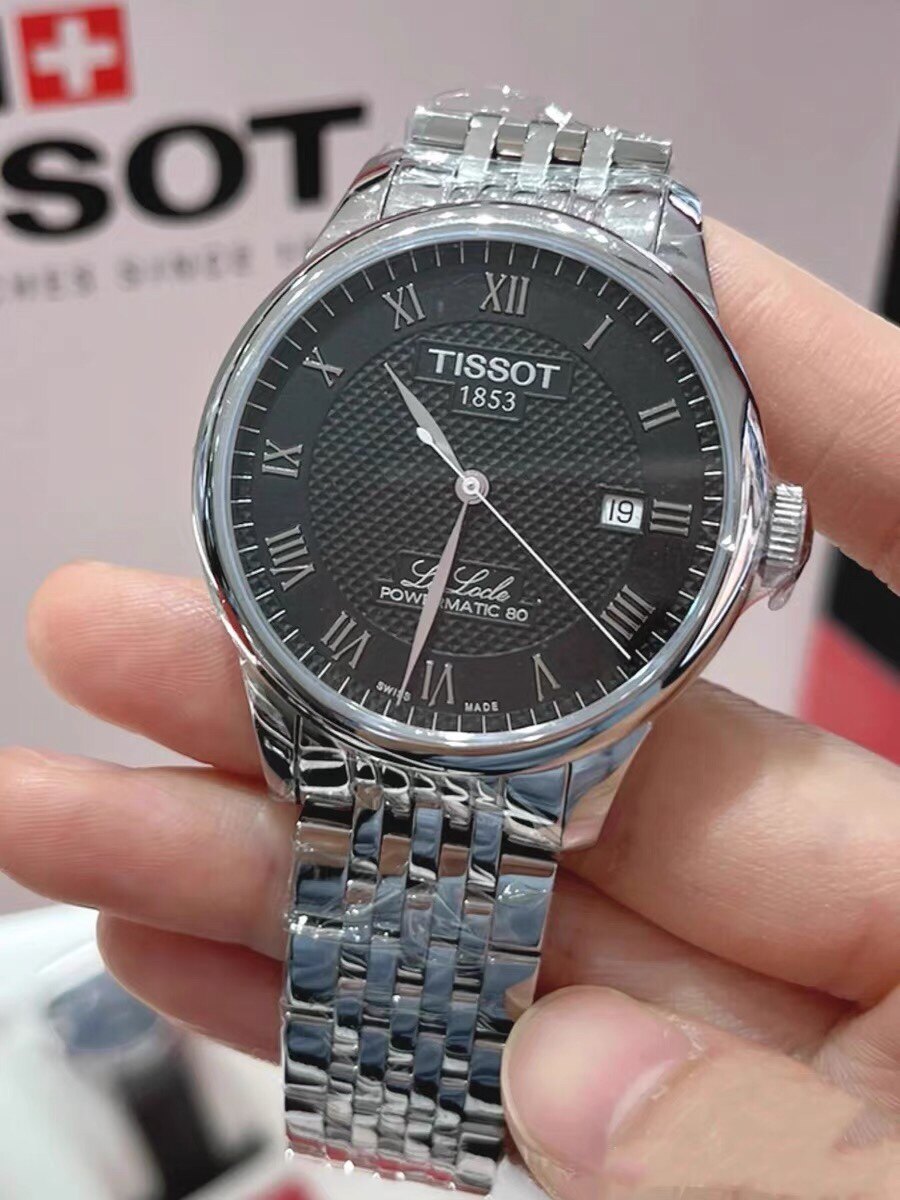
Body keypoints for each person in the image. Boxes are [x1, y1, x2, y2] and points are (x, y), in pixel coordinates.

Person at [1, 221, 898, 1197]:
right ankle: (387, 1120)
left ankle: (397, 1123)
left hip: (544, 741)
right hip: (333, 704)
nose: (470, 488)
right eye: (460, 473)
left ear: (764, 540)